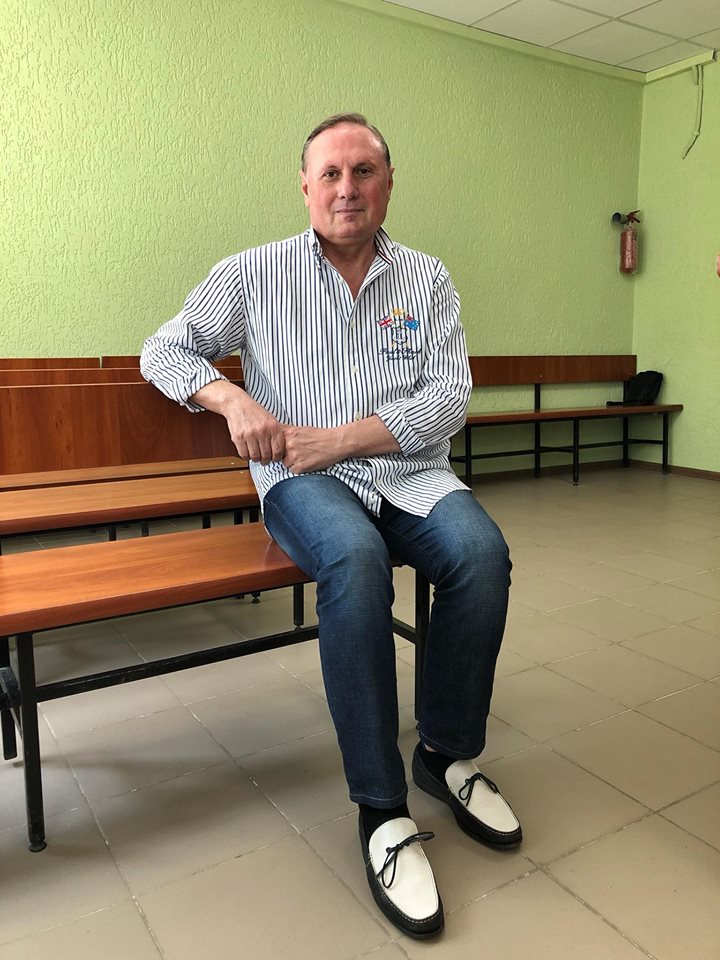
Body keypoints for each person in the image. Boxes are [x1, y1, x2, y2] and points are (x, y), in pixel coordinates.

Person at [141, 113, 521, 940]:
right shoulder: (253, 273)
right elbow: (163, 350)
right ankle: (381, 805)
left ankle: (445, 753)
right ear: (306, 187)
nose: (348, 188)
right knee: (354, 559)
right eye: (331, 174)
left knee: (481, 554)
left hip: (408, 475)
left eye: (364, 171)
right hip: (299, 483)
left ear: (388, 182)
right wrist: (232, 399)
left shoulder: (427, 279)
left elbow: (448, 397)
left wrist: (341, 439)